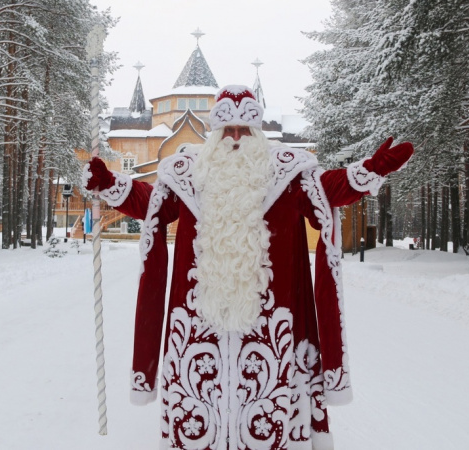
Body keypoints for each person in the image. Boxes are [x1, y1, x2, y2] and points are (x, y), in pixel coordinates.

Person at [83, 85, 413, 449]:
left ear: (257, 133)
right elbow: (152, 203)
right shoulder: (189, 173)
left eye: (244, 130)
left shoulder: (287, 174)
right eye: (228, 130)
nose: (235, 138)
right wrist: (110, 184)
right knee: (198, 421)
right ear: (215, 133)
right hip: (199, 326)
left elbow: (329, 188)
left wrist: (372, 169)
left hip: (270, 327)